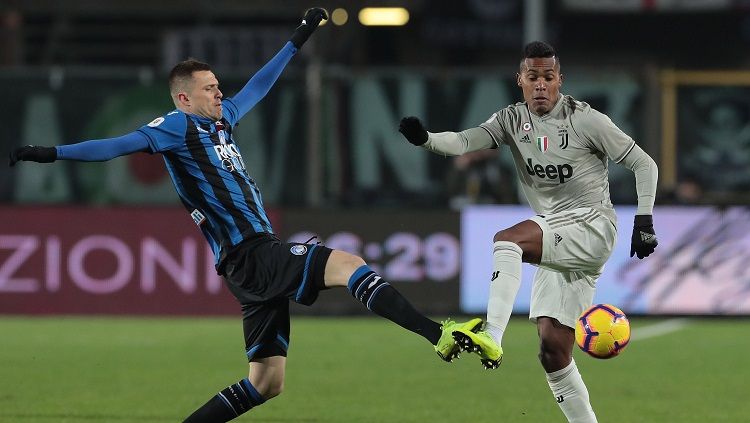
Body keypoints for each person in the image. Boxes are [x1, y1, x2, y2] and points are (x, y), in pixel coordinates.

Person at [9, 8, 482, 422]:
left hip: (250, 261)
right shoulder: (175, 128)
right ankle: (436, 333)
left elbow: (260, 83)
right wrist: (50, 153)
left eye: (218, 87)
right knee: (347, 263)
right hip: (248, 253)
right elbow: (115, 146)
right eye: (209, 89)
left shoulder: (223, 120)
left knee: (266, 383)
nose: (219, 94)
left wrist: (299, 38)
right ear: (182, 98)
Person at [398, 41, 658, 423]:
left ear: (559, 81)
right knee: (553, 349)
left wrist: (645, 219)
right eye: (533, 77)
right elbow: (467, 140)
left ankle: (492, 335)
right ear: (520, 80)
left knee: (508, 239)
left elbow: (643, 163)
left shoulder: (587, 120)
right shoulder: (511, 120)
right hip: (556, 232)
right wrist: (427, 140)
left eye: (548, 78)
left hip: (591, 226)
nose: (540, 85)